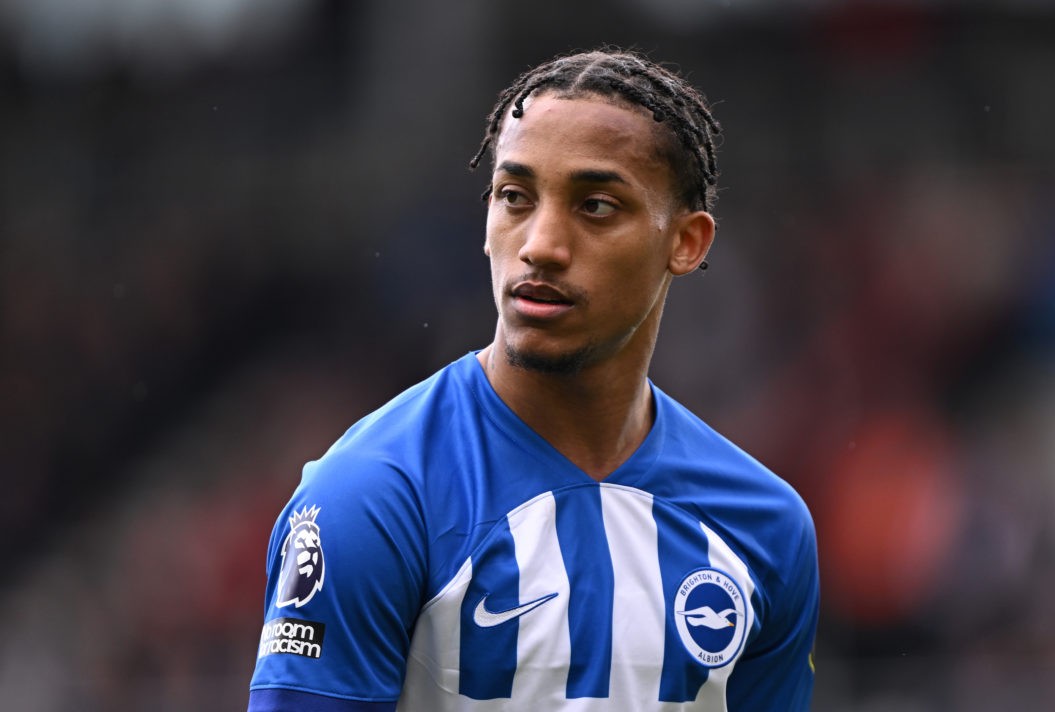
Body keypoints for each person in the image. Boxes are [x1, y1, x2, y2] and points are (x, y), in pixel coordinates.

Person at [247, 48, 819, 712]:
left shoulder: (765, 528)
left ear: (687, 242)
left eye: (596, 206)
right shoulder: (371, 498)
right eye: (515, 197)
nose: (541, 244)